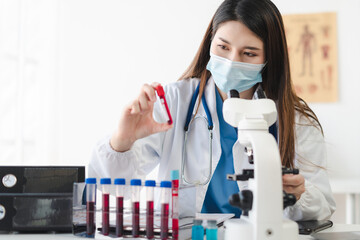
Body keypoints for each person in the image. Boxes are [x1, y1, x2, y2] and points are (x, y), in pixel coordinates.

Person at [89, 0, 336, 221]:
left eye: (249, 53)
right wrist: (122, 140)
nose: (231, 62)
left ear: (270, 59)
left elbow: (323, 206)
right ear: (210, 43)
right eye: (223, 47)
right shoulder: (175, 102)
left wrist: (298, 193)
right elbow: (108, 185)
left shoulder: (296, 121)